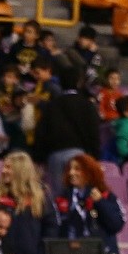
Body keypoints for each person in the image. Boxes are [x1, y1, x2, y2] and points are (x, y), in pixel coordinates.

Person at [33, 68, 101, 196]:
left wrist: (39, 158)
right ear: (79, 83)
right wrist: (95, 156)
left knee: (58, 196)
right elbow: (93, 132)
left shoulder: (51, 105)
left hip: (55, 155)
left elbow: (41, 132)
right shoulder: (87, 105)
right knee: (79, 195)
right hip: (79, 154)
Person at [0, 151, 58, 254]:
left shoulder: (41, 199)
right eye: (4, 167)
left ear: (20, 171)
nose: (3, 171)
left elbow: (50, 232)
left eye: (8, 168)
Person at [57, 153, 125, 254]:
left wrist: (100, 202)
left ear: (89, 171)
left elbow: (116, 225)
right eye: (70, 169)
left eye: (77, 169)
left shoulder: (106, 196)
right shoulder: (63, 198)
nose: (71, 172)